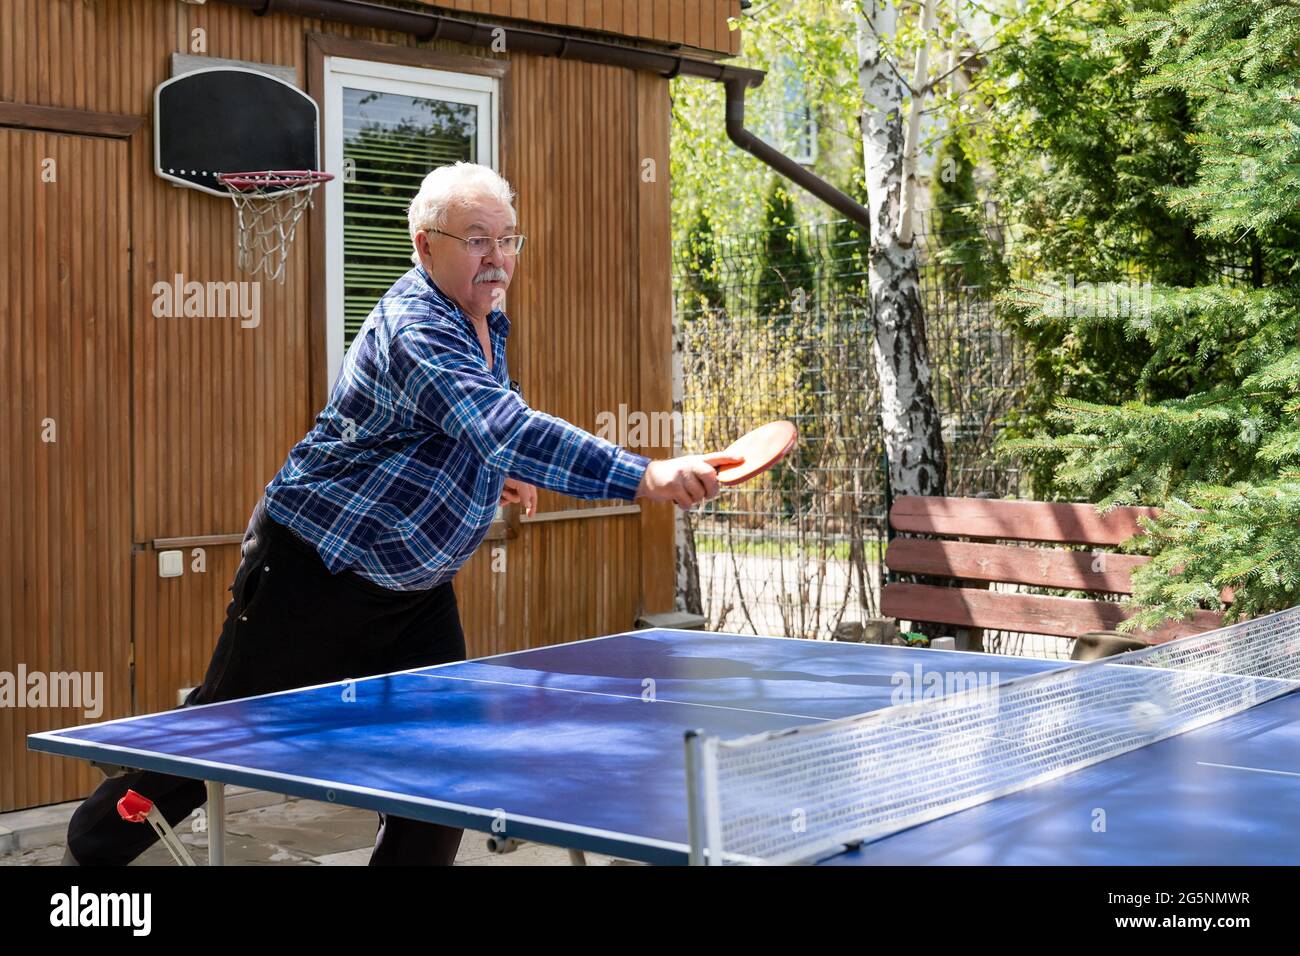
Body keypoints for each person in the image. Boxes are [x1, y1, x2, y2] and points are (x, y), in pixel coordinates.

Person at [62, 161, 729, 865]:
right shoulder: (418, 324)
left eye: (508, 239)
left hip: (415, 588)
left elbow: (472, 426)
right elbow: (500, 423)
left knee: (445, 768)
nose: (496, 257)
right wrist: (644, 473)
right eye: (476, 239)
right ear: (425, 246)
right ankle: (87, 856)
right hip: (315, 568)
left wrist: (499, 472)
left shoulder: (484, 317)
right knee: (221, 740)